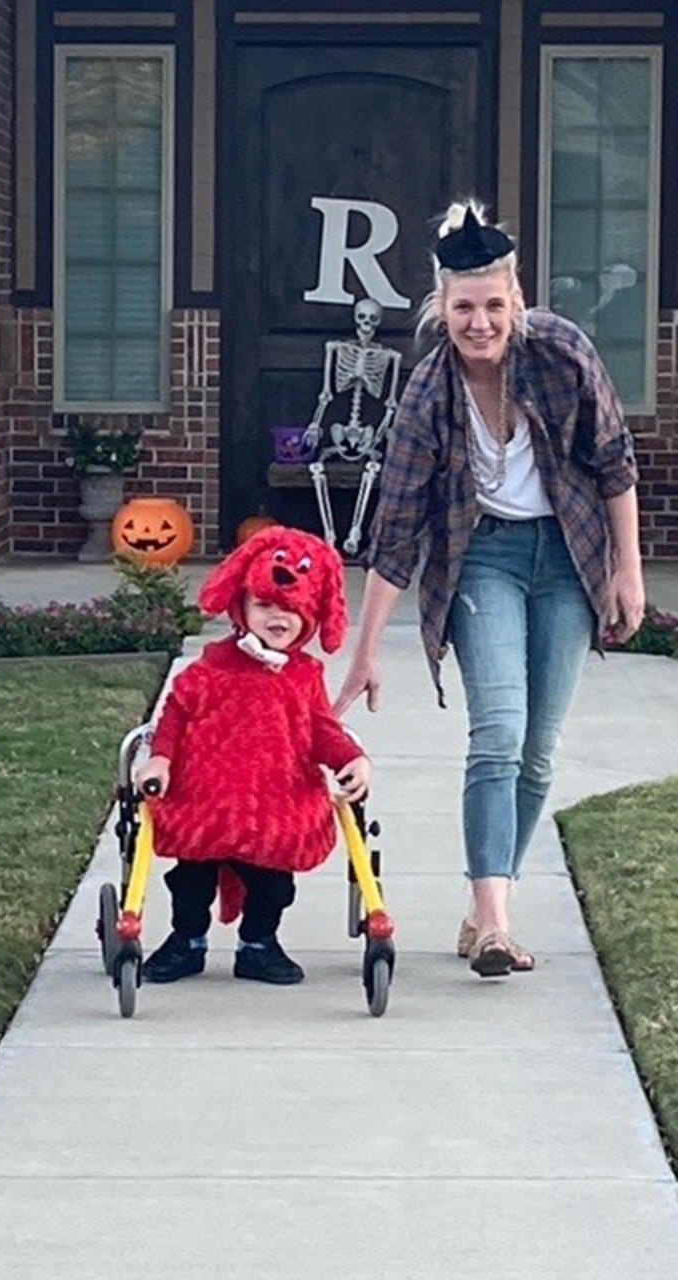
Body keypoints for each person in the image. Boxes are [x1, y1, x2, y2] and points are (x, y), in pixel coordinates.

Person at [334, 201, 645, 978]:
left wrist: (627, 570)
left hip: (567, 559)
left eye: (495, 306)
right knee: (499, 734)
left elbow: (614, 461)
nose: (481, 323)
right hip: (484, 562)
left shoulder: (562, 353)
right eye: (465, 307)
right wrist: (365, 651)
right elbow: (396, 530)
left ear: (518, 300)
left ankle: (481, 912)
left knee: (539, 752)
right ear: (442, 307)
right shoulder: (429, 394)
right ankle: (500, 921)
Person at [135, 527, 371, 986]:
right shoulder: (212, 667)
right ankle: (187, 941)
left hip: (275, 804)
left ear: (313, 617)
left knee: (273, 885)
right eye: (265, 605)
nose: (277, 617)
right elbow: (176, 716)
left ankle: (259, 944)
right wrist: (161, 759)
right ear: (241, 606)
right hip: (208, 799)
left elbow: (323, 731)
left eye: (291, 610)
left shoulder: (304, 676)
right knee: (190, 881)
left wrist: (351, 758)